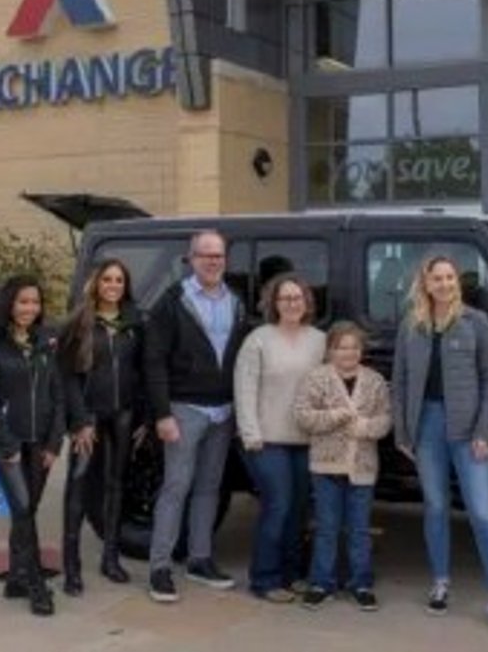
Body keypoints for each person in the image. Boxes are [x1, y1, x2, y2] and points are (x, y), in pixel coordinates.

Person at [392, 255, 488, 636]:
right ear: (425, 283)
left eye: (450, 278)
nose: (445, 284)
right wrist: (403, 432)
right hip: (426, 426)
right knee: (436, 507)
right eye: (437, 278)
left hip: (469, 430)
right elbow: (399, 381)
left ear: (456, 283)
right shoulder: (411, 325)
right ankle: (441, 582)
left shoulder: (476, 322)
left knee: (482, 513)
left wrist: (484, 432)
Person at [143, 229, 251, 603]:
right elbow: (153, 360)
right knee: (176, 487)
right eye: (205, 255)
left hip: (223, 411)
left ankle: (200, 559)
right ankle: (159, 567)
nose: (212, 261)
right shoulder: (172, 301)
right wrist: (162, 414)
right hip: (183, 410)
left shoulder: (235, 302)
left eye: (218, 255)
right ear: (190, 259)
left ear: (225, 259)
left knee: (210, 488)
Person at [0, 275, 66, 617]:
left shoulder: (48, 341)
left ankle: (16, 577)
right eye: (23, 302)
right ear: (9, 304)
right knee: (24, 510)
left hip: (40, 442)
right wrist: (6, 443)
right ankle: (37, 585)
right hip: (7, 444)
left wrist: (54, 443)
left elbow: (57, 394)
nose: (30, 308)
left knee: (26, 512)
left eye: (35, 302)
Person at [234, 273, 326, 603]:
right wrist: (250, 433)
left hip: (305, 439)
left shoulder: (319, 340)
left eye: (297, 298)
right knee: (279, 504)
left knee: (299, 509)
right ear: (273, 303)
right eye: (284, 298)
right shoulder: (259, 339)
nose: (291, 303)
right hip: (266, 440)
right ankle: (264, 578)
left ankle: (292, 574)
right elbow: (244, 389)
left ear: (306, 302)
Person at [56, 257, 142, 596]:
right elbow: (67, 376)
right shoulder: (79, 323)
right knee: (78, 486)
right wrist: (79, 422)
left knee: (116, 485)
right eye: (108, 279)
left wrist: (145, 417)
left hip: (122, 415)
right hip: (89, 416)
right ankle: (72, 567)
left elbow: (141, 370)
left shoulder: (133, 322)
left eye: (119, 281)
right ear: (97, 283)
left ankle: (110, 558)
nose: (113, 286)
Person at [293, 322, 391, 612]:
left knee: (359, 528)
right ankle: (322, 582)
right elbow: (302, 416)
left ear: (361, 350)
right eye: (341, 347)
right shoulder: (316, 379)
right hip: (326, 467)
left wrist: (365, 427)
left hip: (362, 467)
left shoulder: (374, 381)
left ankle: (361, 582)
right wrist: (334, 416)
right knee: (327, 527)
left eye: (353, 347)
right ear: (330, 351)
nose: (347, 353)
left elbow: (386, 419)